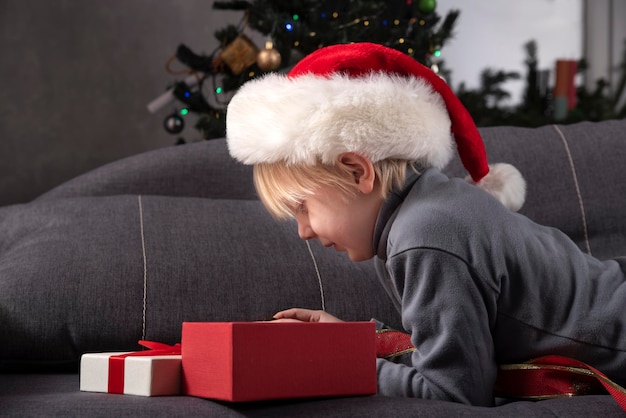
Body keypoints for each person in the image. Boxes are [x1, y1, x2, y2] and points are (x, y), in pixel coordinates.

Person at [225, 42, 626, 406]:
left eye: (303, 208)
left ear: (355, 172)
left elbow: (453, 391)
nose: (304, 231)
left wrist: (334, 362)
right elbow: (441, 348)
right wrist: (352, 342)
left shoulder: (425, 237)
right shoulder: (424, 209)